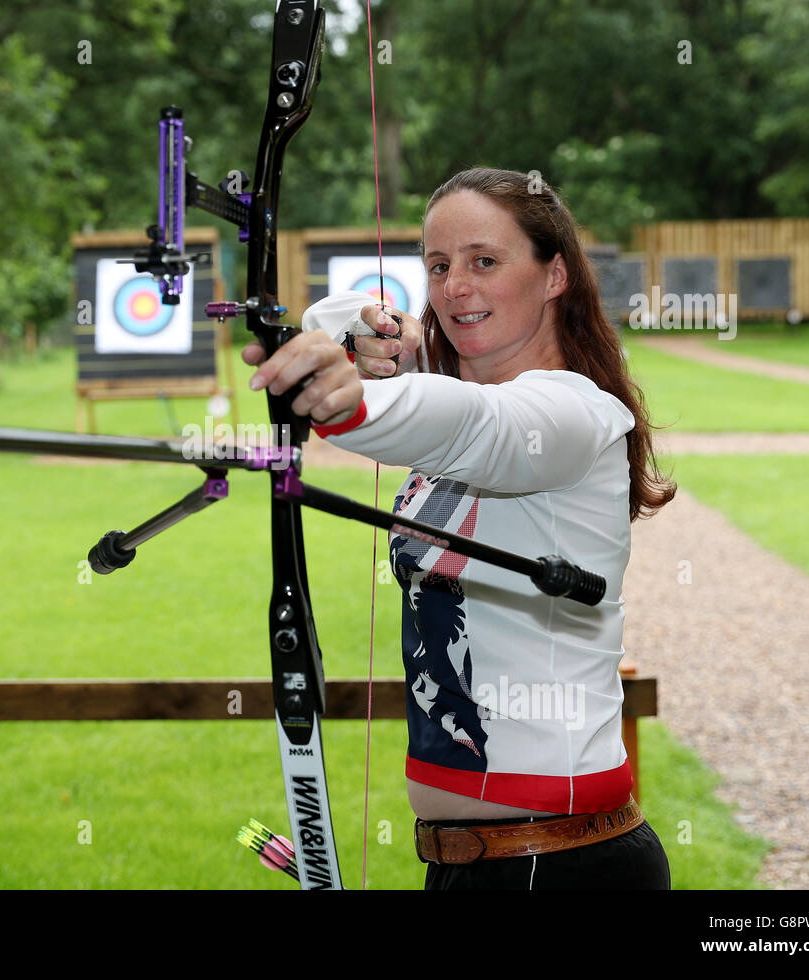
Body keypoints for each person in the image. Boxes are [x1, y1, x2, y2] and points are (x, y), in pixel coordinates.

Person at [244, 167, 676, 889]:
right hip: (464, 861)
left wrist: (350, 401)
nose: (454, 287)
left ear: (554, 274)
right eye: (438, 267)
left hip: (559, 862)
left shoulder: (574, 415)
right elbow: (432, 392)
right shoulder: (454, 393)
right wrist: (371, 339)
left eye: (485, 261)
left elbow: (478, 426)